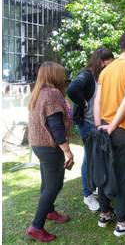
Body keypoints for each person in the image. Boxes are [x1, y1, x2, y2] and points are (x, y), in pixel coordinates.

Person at [94, 32, 125, 237]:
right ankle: (123, 223)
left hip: (104, 127)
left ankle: (105, 213)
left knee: (106, 171)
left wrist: (101, 125)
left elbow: (97, 101)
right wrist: (114, 125)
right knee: (124, 175)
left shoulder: (106, 70)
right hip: (123, 130)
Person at [26, 61, 74, 243]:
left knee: (47, 182)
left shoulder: (38, 92)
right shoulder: (52, 94)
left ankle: (50, 211)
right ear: (54, 76)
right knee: (54, 185)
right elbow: (56, 127)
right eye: (61, 74)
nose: (64, 77)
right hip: (49, 146)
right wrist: (67, 151)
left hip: (38, 145)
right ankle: (36, 226)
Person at [67, 47, 114, 211]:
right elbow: (72, 89)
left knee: (95, 157)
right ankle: (87, 195)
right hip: (85, 123)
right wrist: (84, 103)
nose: (109, 66)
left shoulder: (99, 76)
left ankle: (93, 188)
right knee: (89, 158)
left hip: (95, 122)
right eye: (108, 62)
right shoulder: (86, 75)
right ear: (101, 61)